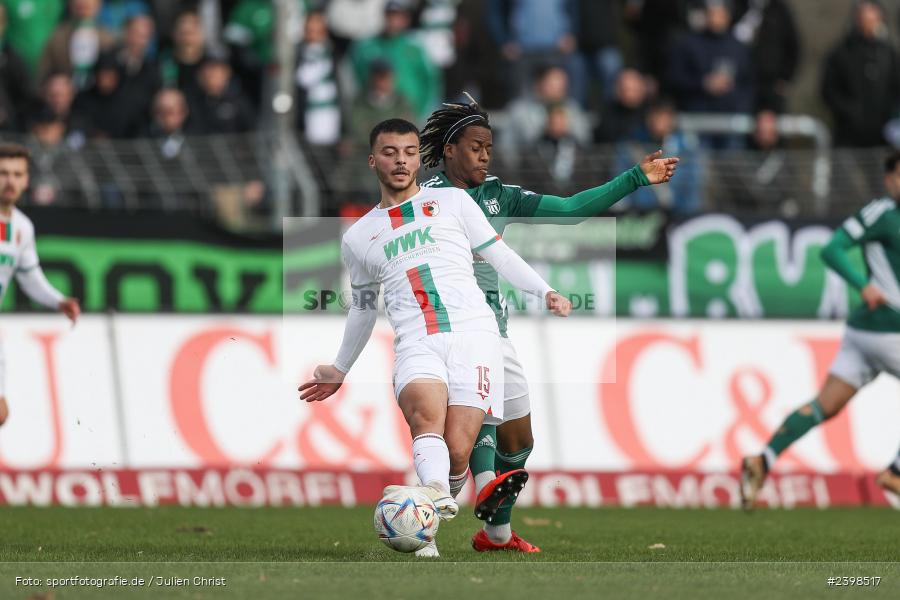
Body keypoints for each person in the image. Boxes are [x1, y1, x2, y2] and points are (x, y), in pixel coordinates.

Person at [299, 118, 572, 557]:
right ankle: (428, 500)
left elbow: (497, 252)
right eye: (390, 152)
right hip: (416, 340)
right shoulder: (359, 236)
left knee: (460, 452)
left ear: (417, 158)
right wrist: (340, 367)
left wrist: (545, 291)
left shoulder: (453, 202)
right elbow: (365, 307)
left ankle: (421, 512)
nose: (401, 160)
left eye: (409, 152)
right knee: (426, 419)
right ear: (373, 161)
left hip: (475, 336)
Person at [418, 95, 678, 553]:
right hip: (451, 329)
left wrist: (636, 178)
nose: (484, 155)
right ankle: (462, 499)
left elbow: (572, 209)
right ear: (450, 149)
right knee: (481, 410)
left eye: (489, 149)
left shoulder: (499, 195)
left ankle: (494, 533)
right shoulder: (427, 196)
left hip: (495, 327)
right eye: (476, 146)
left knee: (519, 440)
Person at [741, 151, 900, 509]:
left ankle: (762, 459)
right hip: (888, 329)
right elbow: (832, 250)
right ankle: (896, 474)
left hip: (863, 335)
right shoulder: (882, 213)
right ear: (889, 179)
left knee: (823, 406)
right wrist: (863, 284)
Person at [0, 142, 80, 425]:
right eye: (3, 173)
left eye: (17, 174)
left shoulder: (21, 228)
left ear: (26, 179)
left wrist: (58, 300)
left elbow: (29, 276)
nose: (10, 181)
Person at [822, 0, 900, 148]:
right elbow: (828, 90)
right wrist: (849, 112)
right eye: (865, 17)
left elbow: (896, 89)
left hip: (882, 135)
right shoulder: (842, 52)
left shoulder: (889, 53)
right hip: (847, 134)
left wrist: (888, 114)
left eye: (873, 17)